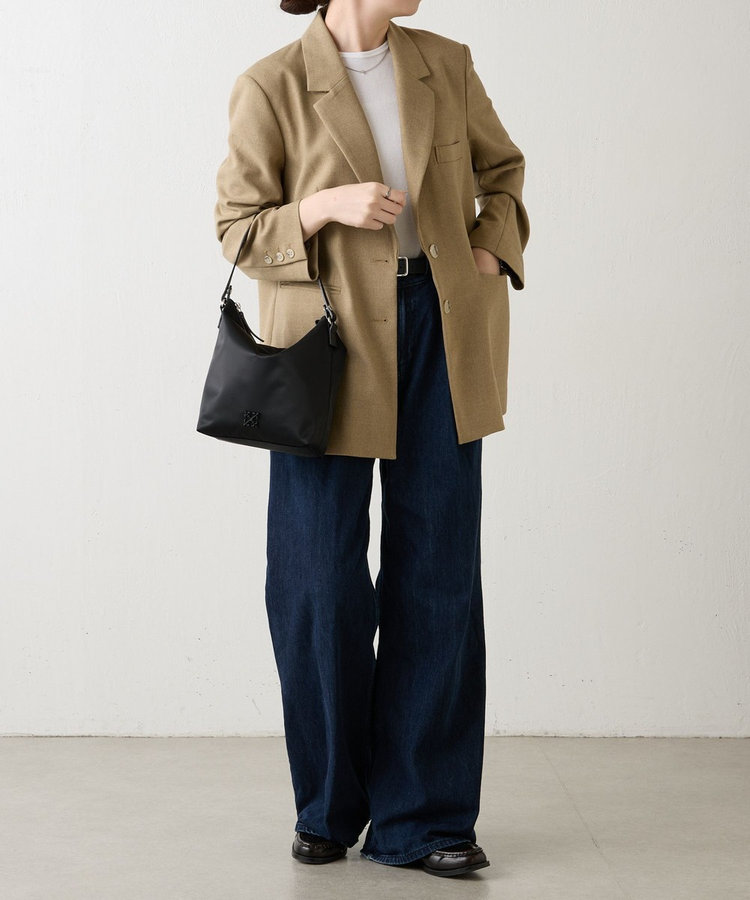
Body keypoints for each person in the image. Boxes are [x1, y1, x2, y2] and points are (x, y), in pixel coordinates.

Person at [214, 0, 530, 878]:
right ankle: (327, 804)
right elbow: (236, 228)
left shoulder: (445, 63)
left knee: (438, 573)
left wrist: (487, 250)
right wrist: (322, 207)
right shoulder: (272, 84)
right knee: (316, 579)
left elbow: (504, 172)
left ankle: (423, 818)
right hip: (326, 343)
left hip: (441, 329)